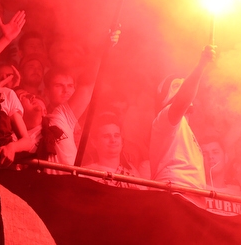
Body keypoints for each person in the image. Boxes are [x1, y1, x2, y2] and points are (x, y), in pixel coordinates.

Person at [149, 45, 216, 195]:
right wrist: (201, 65)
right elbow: (183, 99)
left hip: (192, 196)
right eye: (177, 86)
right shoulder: (163, 119)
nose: (183, 88)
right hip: (172, 192)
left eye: (183, 84)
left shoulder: (187, 130)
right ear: (164, 97)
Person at [87, 112, 146, 188]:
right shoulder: (87, 174)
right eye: (106, 136)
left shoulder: (133, 173)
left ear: (122, 141)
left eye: (116, 136)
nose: (113, 140)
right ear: (94, 142)